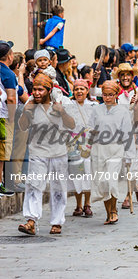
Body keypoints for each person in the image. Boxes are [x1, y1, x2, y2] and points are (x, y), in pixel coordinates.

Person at [17, 72, 75, 235]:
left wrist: (62, 112)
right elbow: (22, 126)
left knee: (58, 187)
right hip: (37, 151)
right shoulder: (30, 103)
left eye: (40, 90)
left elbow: (72, 125)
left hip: (58, 152)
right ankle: (31, 220)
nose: (36, 93)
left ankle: (57, 222)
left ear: (49, 90)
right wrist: (26, 112)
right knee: (33, 185)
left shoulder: (61, 101)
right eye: (34, 89)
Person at [88, 80, 133, 225]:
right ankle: (108, 212)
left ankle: (114, 210)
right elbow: (90, 129)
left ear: (116, 95)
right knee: (102, 183)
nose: (107, 98)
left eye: (110, 95)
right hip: (98, 150)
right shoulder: (96, 110)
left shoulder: (122, 111)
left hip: (116, 149)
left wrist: (129, 155)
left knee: (110, 180)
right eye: (105, 95)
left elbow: (127, 134)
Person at [114, 63, 138, 208]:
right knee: (123, 164)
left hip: (136, 132)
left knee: (133, 164)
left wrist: (137, 106)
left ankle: (128, 196)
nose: (125, 78)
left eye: (128, 75)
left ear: (132, 77)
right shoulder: (114, 92)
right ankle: (137, 188)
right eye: (122, 75)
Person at [68, 79, 98, 217]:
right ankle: (78, 205)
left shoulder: (93, 105)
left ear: (87, 91)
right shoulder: (69, 105)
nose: (79, 91)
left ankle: (87, 204)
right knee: (76, 174)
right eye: (76, 89)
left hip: (89, 143)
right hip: (74, 143)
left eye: (82, 89)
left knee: (88, 173)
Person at [0, 41, 18, 196]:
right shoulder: (8, 74)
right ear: (9, 56)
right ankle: (1, 183)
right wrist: (12, 118)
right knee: (3, 152)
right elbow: (11, 98)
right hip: (3, 116)